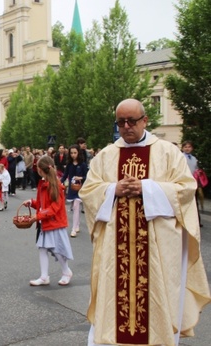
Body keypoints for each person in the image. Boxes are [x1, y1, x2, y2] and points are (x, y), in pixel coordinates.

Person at [79, 98, 211, 345]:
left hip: (157, 249)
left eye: (132, 121)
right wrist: (113, 189)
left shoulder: (168, 152)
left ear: (145, 120)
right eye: (121, 122)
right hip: (114, 251)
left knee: (156, 304)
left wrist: (146, 188)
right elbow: (88, 192)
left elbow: (186, 189)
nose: (127, 126)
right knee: (112, 312)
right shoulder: (106, 156)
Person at [23, 156, 73, 287]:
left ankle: (66, 271)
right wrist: (32, 203)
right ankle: (44, 276)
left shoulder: (55, 185)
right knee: (43, 248)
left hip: (54, 223)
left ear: (39, 170)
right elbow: (42, 204)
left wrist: (38, 216)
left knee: (57, 250)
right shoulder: (44, 183)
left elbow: (54, 208)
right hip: (47, 222)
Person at [60, 144, 88, 238]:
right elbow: (65, 175)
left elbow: (87, 176)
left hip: (81, 189)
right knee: (75, 208)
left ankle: (73, 229)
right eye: (71, 153)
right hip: (72, 188)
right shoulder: (69, 164)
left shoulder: (83, 164)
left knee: (76, 206)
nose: (73, 155)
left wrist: (81, 177)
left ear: (78, 153)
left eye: (75, 153)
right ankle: (77, 224)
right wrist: (59, 183)